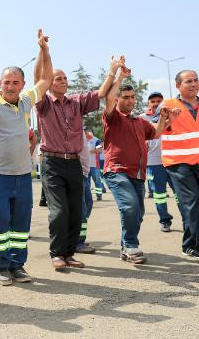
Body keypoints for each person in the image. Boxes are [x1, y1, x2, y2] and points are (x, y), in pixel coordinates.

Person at [0, 29, 54, 285]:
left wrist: (44, 50)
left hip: (22, 174)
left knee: (20, 222)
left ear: (22, 85)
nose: (11, 87)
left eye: (15, 82)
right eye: (6, 83)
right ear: (0, 84)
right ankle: (1, 265)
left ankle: (17, 265)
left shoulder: (26, 101)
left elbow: (46, 79)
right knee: (0, 220)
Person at [35, 51, 115, 270]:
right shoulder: (43, 103)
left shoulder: (77, 102)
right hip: (52, 163)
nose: (63, 81)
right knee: (59, 210)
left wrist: (113, 70)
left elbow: (101, 93)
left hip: (74, 163)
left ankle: (69, 254)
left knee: (75, 210)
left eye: (65, 78)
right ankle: (57, 253)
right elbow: (38, 79)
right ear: (49, 83)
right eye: (58, 78)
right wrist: (44, 52)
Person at [103, 65, 170, 264]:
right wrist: (119, 77)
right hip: (117, 170)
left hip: (138, 174)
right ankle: (132, 245)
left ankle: (126, 247)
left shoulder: (140, 121)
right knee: (130, 206)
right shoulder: (113, 117)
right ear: (117, 99)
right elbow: (108, 98)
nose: (130, 100)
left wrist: (164, 118)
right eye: (125, 97)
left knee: (137, 213)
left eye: (133, 97)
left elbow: (156, 133)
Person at [159, 70, 199, 258]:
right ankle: (192, 244)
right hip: (178, 163)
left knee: (194, 203)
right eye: (188, 81)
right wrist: (165, 118)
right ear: (178, 86)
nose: (193, 84)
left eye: (196, 80)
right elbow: (156, 130)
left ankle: (191, 242)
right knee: (193, 201)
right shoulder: (168, 105)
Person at [140, 91, 176, 232]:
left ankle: (188, 220)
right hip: (154, 162)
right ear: (148, 104)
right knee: (159, 194)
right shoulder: (142, 118)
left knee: (180, 193)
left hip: (173, 160)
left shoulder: (173, 115)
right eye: (153, 101)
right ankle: (165, 220)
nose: (156, 103)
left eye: (159, 101)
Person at [84, 127, 105, 201]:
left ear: (88, 131)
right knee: (87, 183)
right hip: (85, 165)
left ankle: (99, 195)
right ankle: (88, 197)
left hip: (95, 165)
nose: (84, 132)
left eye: (85, 130)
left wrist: (90, 151)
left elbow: (100, 150)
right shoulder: (82, 140)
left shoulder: (96, 140)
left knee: (97, 181)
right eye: (83, 130)